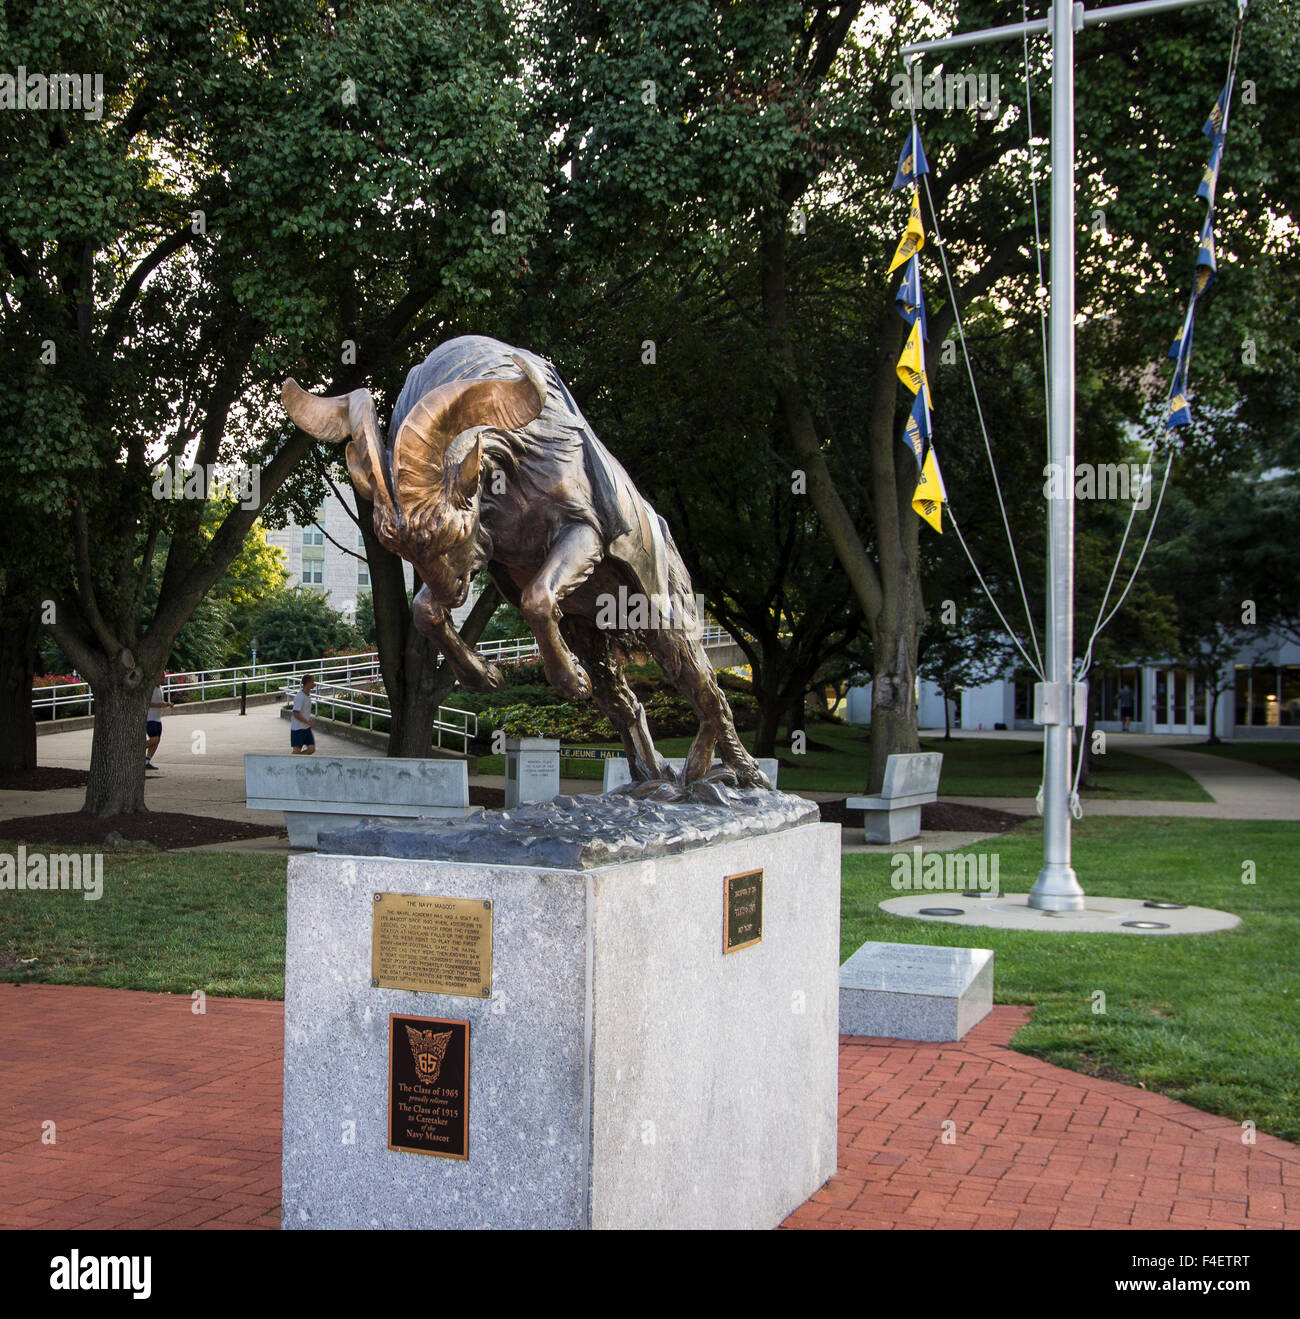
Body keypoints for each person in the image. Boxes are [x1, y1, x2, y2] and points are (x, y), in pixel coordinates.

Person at [145, 682, 173, 769]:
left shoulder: (161, 688)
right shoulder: (150, 687)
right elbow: (146, 702)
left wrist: (167, 704)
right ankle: (137, 749)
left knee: (157, 740)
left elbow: (160, 702)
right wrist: (159, 705)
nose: (163, 678)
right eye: (161, 676)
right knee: (154, 739)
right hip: (149, 718)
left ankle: (147, 761)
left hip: (158, 718)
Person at [291, 676, 317, 754]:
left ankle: (298, 760)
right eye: (313, 682)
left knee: (311, 749)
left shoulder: (308, 695)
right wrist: (308, 722)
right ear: (308, 683)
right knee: (296, 751)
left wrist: (307, 723)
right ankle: (292, 762)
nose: (314, 684)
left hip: (306, 728)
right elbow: (295, 713)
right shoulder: (300, 696)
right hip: (298, 728)